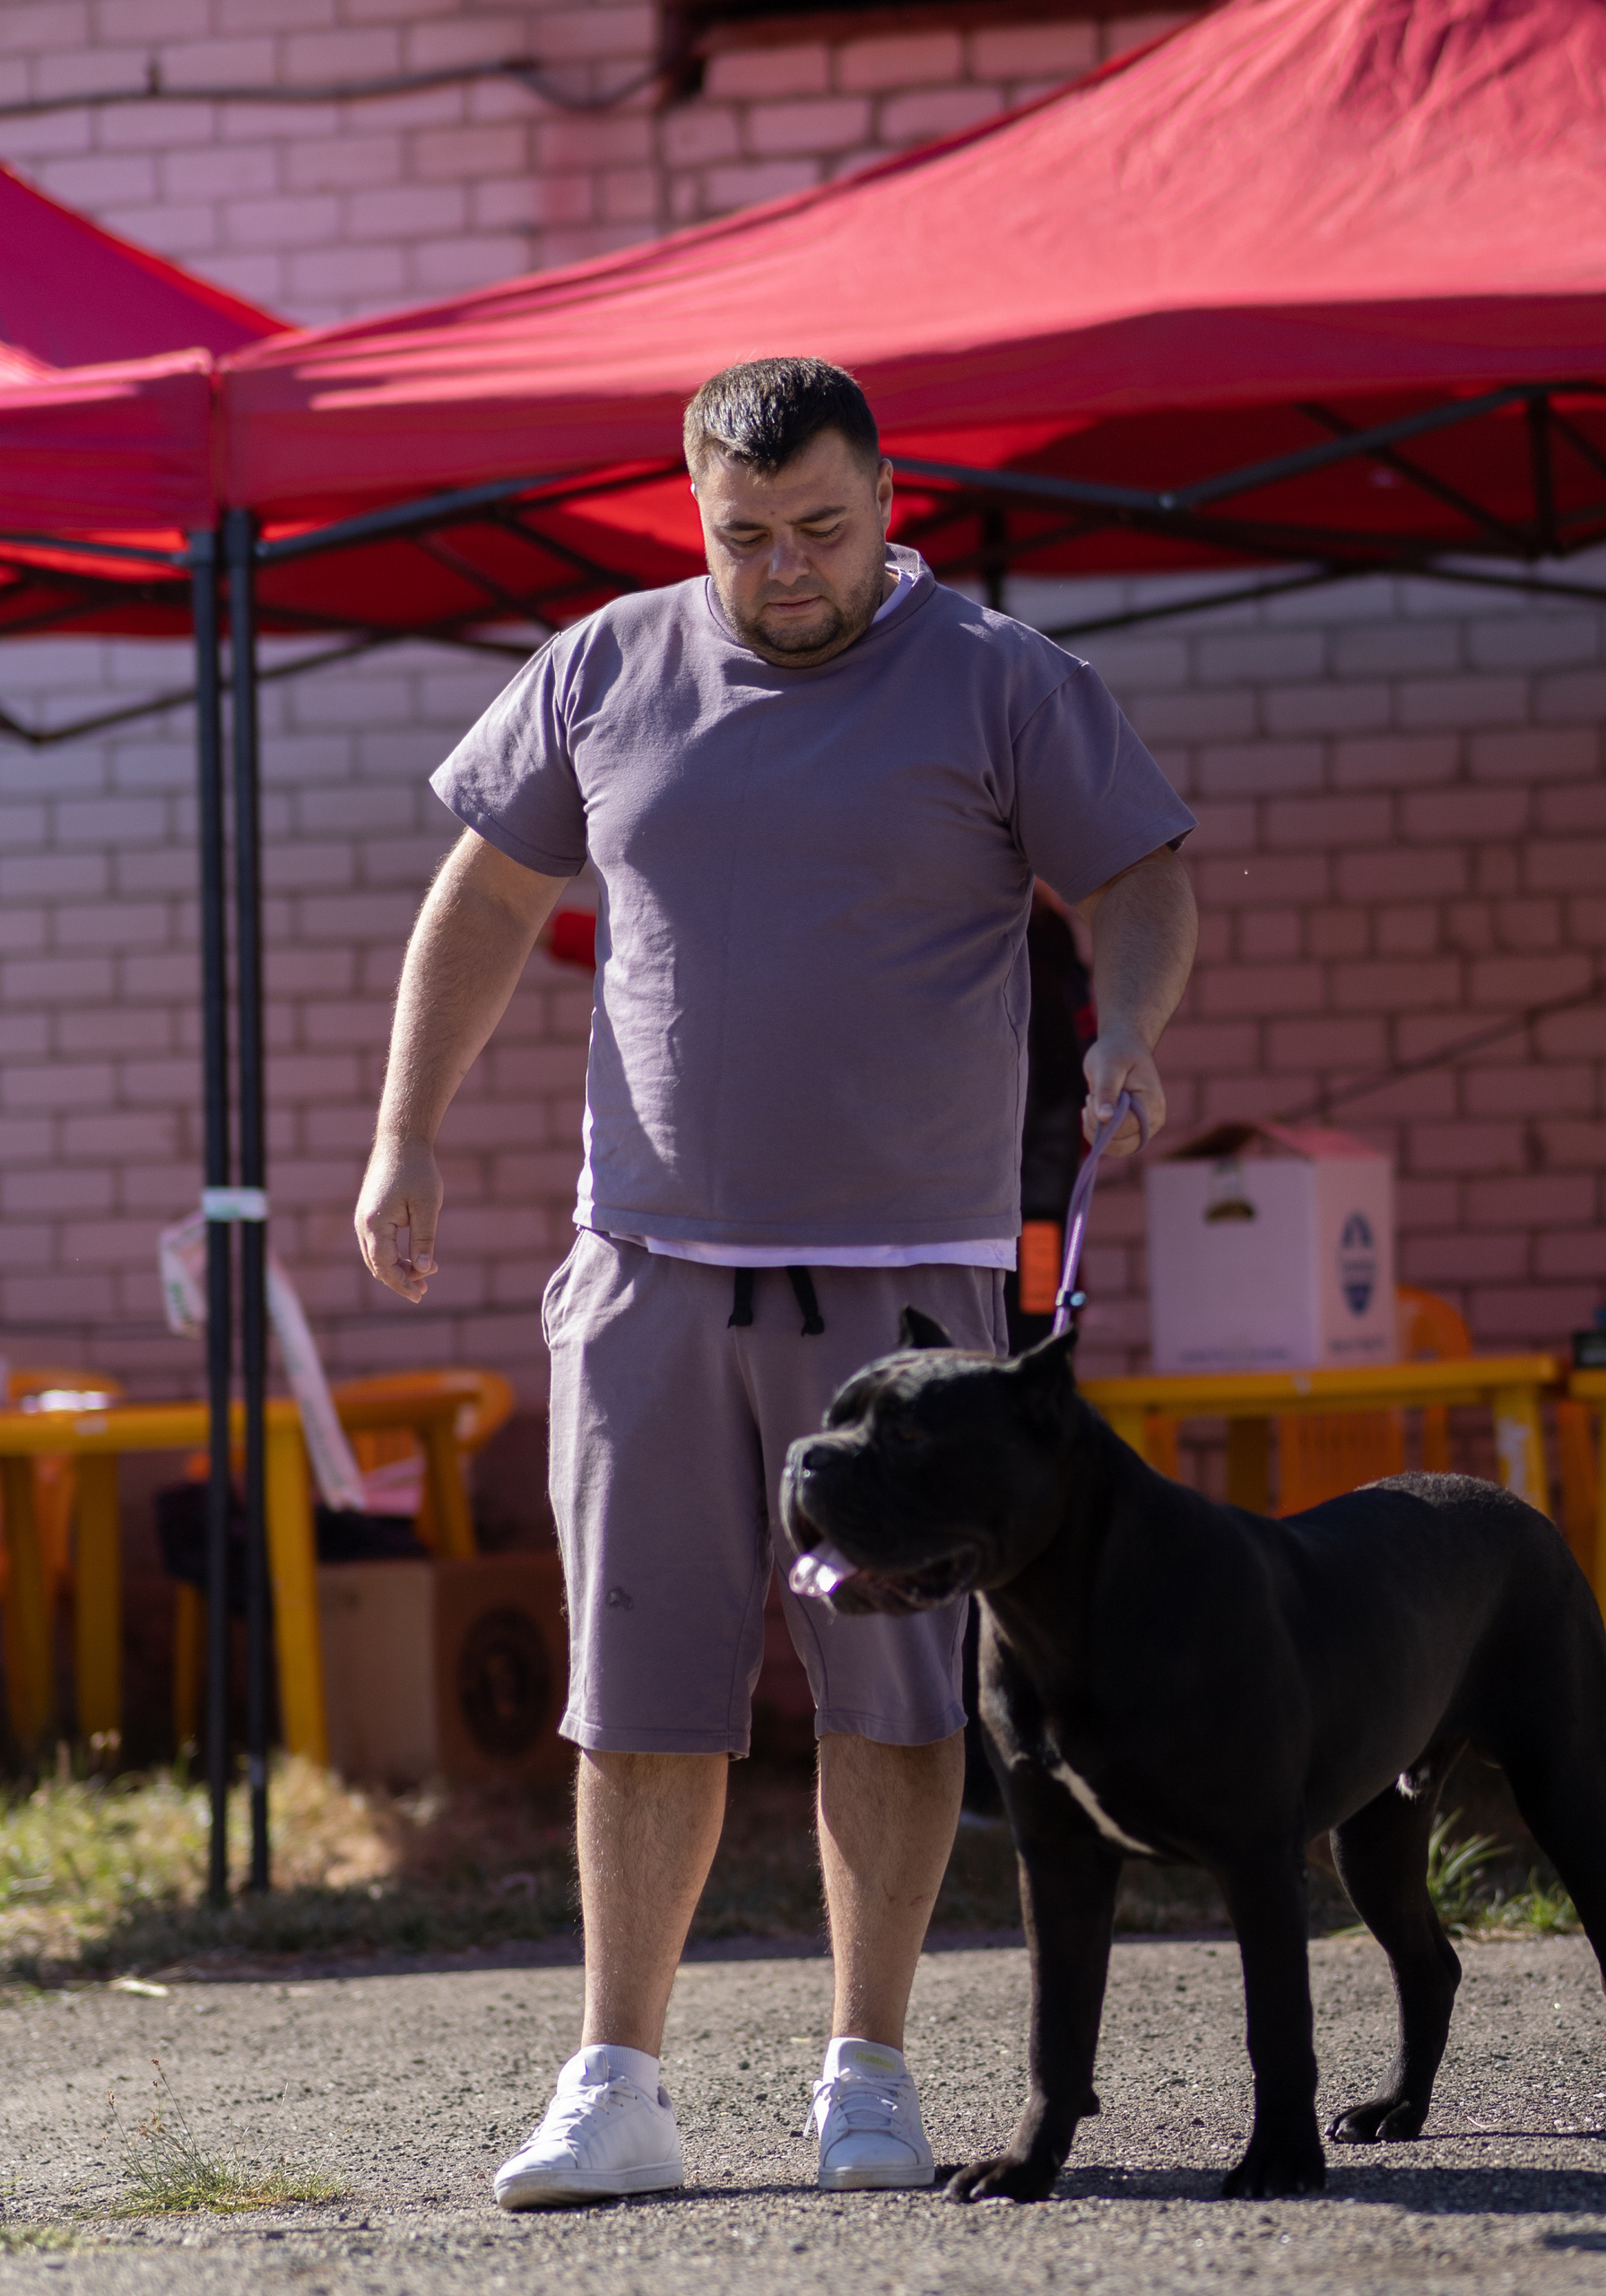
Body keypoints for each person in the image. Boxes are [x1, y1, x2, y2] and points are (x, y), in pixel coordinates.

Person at [353, 357, 1197, 2209]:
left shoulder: (998, 679)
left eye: (818, 528)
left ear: (891, 496)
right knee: (638, 1683)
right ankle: (616, 2080)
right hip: (647, 1262)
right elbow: (485, 899)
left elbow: (1135, 875)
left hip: (903, 1291)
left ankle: (866, 2070)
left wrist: (1127, 1025)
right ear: (692, 514)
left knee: (890, 1685)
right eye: (742, 536)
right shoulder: (603, 664)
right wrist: (404, 1129)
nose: (782, 568)